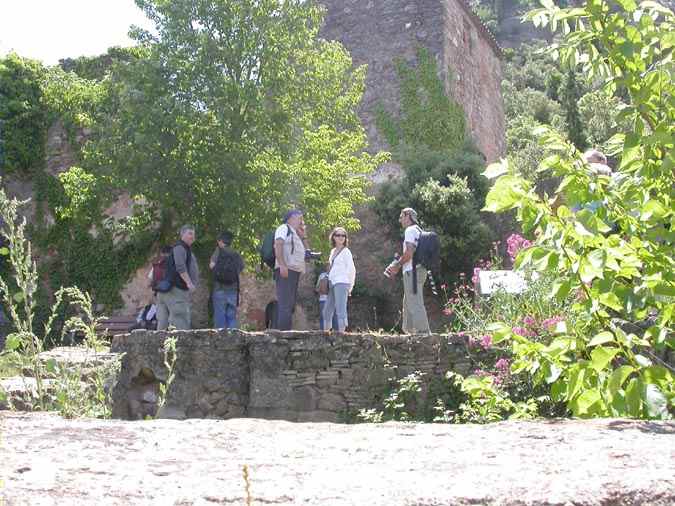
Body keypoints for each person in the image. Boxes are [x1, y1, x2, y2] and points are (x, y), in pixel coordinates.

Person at [384, 208, 430, 334]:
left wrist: (397, 265)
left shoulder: (410, 230)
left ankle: (423, 332)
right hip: (420, 270)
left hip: (413, 271)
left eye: (401, 216)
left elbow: (409, 253)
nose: (400, 220)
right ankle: (409, 331)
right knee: (408, 301)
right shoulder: (419, 230)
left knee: (414, 300)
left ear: (407, 216)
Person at [156, 225, 199, 330]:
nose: (192, 236)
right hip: (175, 291)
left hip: (166, 291)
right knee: (180, 321)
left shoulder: (182, 248)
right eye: (190, 233)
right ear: (182, 234)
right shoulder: (180, 247)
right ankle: (180, 346)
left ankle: (160, 345)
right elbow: (180, 267)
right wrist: (189, 283)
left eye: (194, 234)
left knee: (162, 324)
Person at [273, 209, 308, 330]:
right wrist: (282, 265)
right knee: (285, 304)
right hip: (286, 270)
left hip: (293, 271)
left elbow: (306, 253)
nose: (302, 221)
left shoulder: (295, 233)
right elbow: (278, 244)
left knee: (290, 304)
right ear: (291, 217)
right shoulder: (283, 228)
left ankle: (285, 332)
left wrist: (303, 236)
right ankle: (283, 334)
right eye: (300, 218)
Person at [322, 227, 356, 333]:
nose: (341, 237)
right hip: (333, 282)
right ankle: (326, 332)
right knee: (327, 310)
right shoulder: (333, 251)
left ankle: (342, 333)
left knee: (340, 309)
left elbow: (351, 269)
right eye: (338, 235)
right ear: (333, 237)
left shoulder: (346, 252)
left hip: (342, 282)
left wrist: (350, 287)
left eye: (343, 235)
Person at [209, 231, 244, 329]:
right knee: (231, 316)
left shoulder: (218, 251)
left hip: (219, 288)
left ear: (220, 241)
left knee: (220, 316)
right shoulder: (235, 254)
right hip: (233, 288)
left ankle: (220, 341)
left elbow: (211, 266)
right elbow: (241, 267)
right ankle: (232, 339)